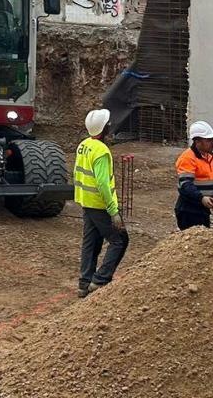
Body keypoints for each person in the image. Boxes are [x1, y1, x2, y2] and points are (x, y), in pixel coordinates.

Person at [74, 108, 128, 297]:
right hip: (99, 204)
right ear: (104, 128)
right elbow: (103, 183)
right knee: (120, 240)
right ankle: (100, 280)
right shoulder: (101, 151)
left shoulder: (84, 145)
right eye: (108, 123)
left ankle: (84, 283)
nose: (110, 125)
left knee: (91, 242)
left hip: (86, 201)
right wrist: (113, 211)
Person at [175, 120, 213, 230]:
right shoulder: (188, 158)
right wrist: (201, 198)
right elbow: (186, 185)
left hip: (202, 209)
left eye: (212, 139)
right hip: (189, 210)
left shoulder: (210, 157)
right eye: (209, 140)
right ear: (197, 141)